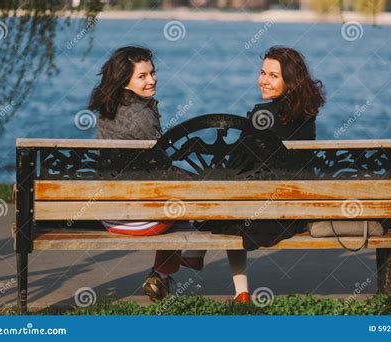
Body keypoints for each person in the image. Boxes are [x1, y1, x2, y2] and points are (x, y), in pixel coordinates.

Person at [199, 45, 326, 302]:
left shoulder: (263, 115)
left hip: (261, 216)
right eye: (263, 73)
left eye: (273, 75)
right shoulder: (307, 115)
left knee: (220, 210)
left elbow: (238, 162)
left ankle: (241, 291)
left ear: (290, 82)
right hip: (293, 212)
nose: (264, 80)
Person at [88, 45, 206, 302]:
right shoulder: (142, 115)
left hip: (110, 215)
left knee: (181, 197)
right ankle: (189, 258)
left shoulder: (107, 110)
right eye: (142, 76)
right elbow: (161, 169)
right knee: (197, 197)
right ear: (124, 81)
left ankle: (163, 275)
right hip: (140, 219)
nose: (152, 79)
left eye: (152, 73)